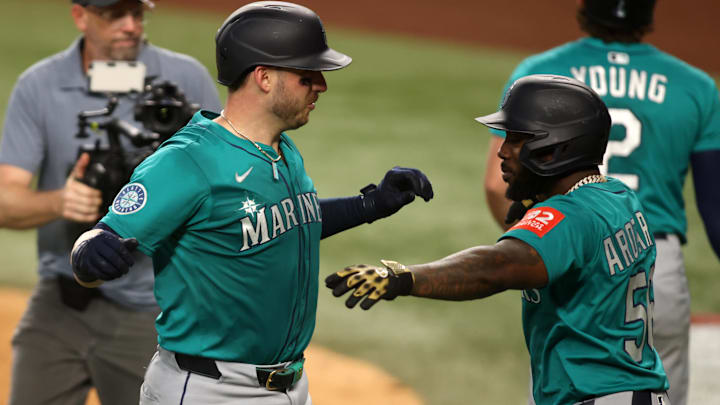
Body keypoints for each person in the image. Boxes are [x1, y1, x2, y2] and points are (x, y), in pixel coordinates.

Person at [70, 2, 434, 404]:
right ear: (263, 77)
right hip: (209, 390)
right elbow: (99, 243)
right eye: (306, 75)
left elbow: (291, 221)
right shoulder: (188, 161)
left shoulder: (282, 150)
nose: (321, 85)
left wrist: (370, 205)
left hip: (291, 386)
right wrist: (89, 253)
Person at [327, 74, 671, 405]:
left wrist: (403, 278)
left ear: (555, 148)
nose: (502, 151)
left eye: (517, 139)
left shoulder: (567, 218)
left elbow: (496, 266)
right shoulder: (619, 198)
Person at [482, 2, 720, 404]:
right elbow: (716, 215)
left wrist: (536, 247)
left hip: (567, 257)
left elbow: (495, 185)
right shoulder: (697, 86)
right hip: (653, 268)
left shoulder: (539, 75)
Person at [0, 0, 221, 404]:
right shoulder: (40, 84)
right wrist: (59, 202)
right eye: (113, 15)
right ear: (80, 16)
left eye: (137, 14)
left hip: (157, 310)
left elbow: (229, 183)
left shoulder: (185, 77)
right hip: (61, 300)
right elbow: (4, 199)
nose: (130, 26)